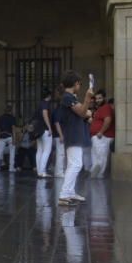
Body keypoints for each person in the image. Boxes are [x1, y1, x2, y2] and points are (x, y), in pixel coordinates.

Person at [56, 71, 93, 206]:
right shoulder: (67, 97)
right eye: (79, 83)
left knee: (74, 164)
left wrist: (86, 113)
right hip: (73, 134)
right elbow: (83, 111)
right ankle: (65, 194)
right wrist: (87, 98)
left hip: (74, 133)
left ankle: (69, 192)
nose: (80, 86)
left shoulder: (69, 97)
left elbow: (82, 113)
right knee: (76, 164)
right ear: (76, 83)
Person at [89, 89, 115, 178]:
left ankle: (98, 174)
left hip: (102, 136)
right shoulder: (101, 108)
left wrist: (101, 132)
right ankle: (96, 174)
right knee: (97, 156)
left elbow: (108, 120)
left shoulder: (106, 107)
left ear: (104, 98)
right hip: (98, 136)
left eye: (100, 98)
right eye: (96, 98)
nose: (97, 100)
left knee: (100, 157)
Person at [33, 89, 54, 178]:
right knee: (47, 150)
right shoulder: (46, 104)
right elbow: (45, 114)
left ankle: (39, 171)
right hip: (45, 130)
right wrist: (49, 127)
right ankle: (42, 172)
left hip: (38, 130)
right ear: (49, 95)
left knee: (40, 150)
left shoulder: (39, 104)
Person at [0, 104, 18, 171]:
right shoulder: (12, 118)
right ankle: (11, 167)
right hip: (10, 136)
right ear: (11, 110)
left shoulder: (0, 117)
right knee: (12, 152)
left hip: (2, 136)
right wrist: (14, 138)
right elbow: (13, 128)